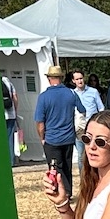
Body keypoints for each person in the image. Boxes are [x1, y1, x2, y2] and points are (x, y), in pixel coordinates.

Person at [34, 64, 84, 198]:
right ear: (60, 78)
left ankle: (59, 193)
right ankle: (68, 192)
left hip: (52, 138)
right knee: (67, 166)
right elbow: (82, 110)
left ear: (49, 78)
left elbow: (40, 122)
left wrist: (42, 138)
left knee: (54, 168)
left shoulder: (44, 97)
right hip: (68, 137)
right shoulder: (71, 93)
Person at [71, 70, 105, 173]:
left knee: (95, 153)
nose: (80, 81)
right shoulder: (72, 94)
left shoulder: (93, 92)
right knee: (82, 156)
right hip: (79, 128)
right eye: (77, 79)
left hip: (93, 127)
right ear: (73, 81)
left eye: (81, 78)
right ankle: (84, 180)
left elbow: (101, 108)